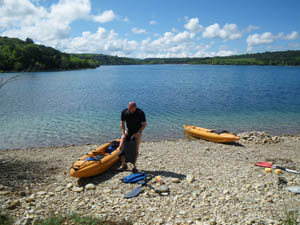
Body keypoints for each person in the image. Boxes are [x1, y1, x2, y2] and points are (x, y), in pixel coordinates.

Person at [117, 102, 146, 173]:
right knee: (121, 147)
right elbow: (122, 123)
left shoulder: (140, 113)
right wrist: (123, 133)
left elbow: (144, 124)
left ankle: (133, 165)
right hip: (128, 131)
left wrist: (138, 132)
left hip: (137, 132)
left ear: (134, 108)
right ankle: (124, 164)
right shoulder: (124, 112)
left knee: (135, 150)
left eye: (130, 109)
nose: (129, 110)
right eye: (128, 108)